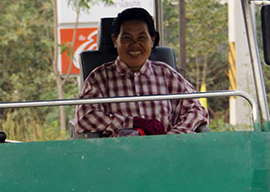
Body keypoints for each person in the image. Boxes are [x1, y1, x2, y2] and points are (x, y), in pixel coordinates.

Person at [74, 7, 208, 136]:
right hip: (119, 153)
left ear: (152, 40)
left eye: (142, 38)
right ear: (115, 40)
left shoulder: (167, 74)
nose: (135, 45)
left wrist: (172, 137)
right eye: (127, 38)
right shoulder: (99, 78)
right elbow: (84, 118)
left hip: (165, 152)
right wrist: (133, 123)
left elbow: (196, 111)